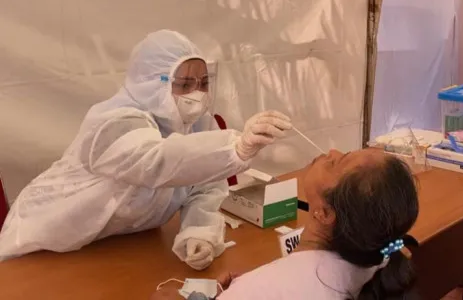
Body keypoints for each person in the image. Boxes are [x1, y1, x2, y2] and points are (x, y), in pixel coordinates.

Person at [0, 30, 292, 270]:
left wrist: (199, 232)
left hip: (119, 247)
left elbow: (206, 187)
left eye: (203, 83)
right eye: (185, 83)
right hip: (46, 242)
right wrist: (236, 147)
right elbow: (155, 161)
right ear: (152, 82)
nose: (198, 94)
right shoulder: (111, 122)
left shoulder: (198, 124)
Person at [152, 148, 419, 300]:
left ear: (325, 214)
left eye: (338, 161)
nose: (332, 151)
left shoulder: (276, 286)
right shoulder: (376, 254)